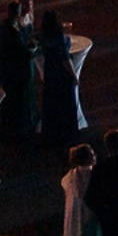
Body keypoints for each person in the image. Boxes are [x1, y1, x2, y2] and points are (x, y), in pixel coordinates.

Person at [0, 0, 36, 134]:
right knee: (15, 97)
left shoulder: (7, 27)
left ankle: (18, 123)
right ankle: (16, 126)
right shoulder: (11, 30)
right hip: (14, 69)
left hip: (10, 68)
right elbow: (19, 49)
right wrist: (31, 50)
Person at [37, 8, 78, 144]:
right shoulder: (58, 37)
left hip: (50, 72)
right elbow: (65, 58)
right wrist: (73, 75)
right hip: (61, 74)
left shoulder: (43, 36)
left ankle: (51, 134)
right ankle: (67, 133)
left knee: (51, 102)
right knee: (65, 103)